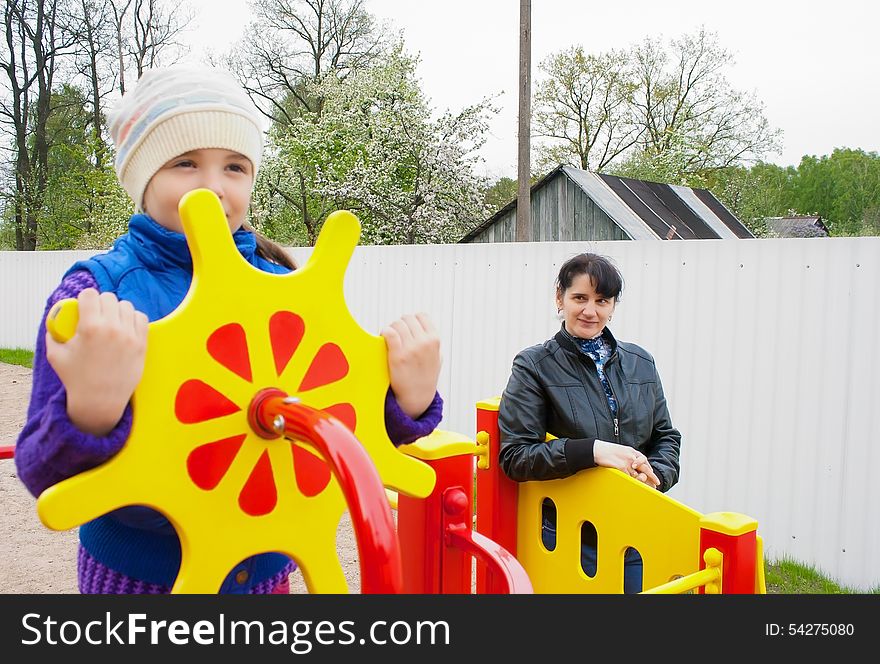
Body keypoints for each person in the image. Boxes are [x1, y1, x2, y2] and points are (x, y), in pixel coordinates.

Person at [14, 64, 444, 595]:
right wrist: (94, 407)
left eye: (235, 167)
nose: (212, 188)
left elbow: (339, 429)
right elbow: (42, 471)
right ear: (141, 178)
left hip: (265, 577)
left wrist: (410, 400)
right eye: (185, 163)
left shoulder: (285, 286)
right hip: (144, 584)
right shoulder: (97, 295)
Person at [498, 252, 681, 593]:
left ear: (613, 306)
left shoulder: (641, 361)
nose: (590, 311)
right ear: (559, 297)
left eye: (602, 301)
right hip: (569, 534)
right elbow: (516, 457)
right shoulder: (534, 365)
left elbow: (665, 436)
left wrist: (655, 475)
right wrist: (594, 451)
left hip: (634, 526)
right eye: (579, 298)